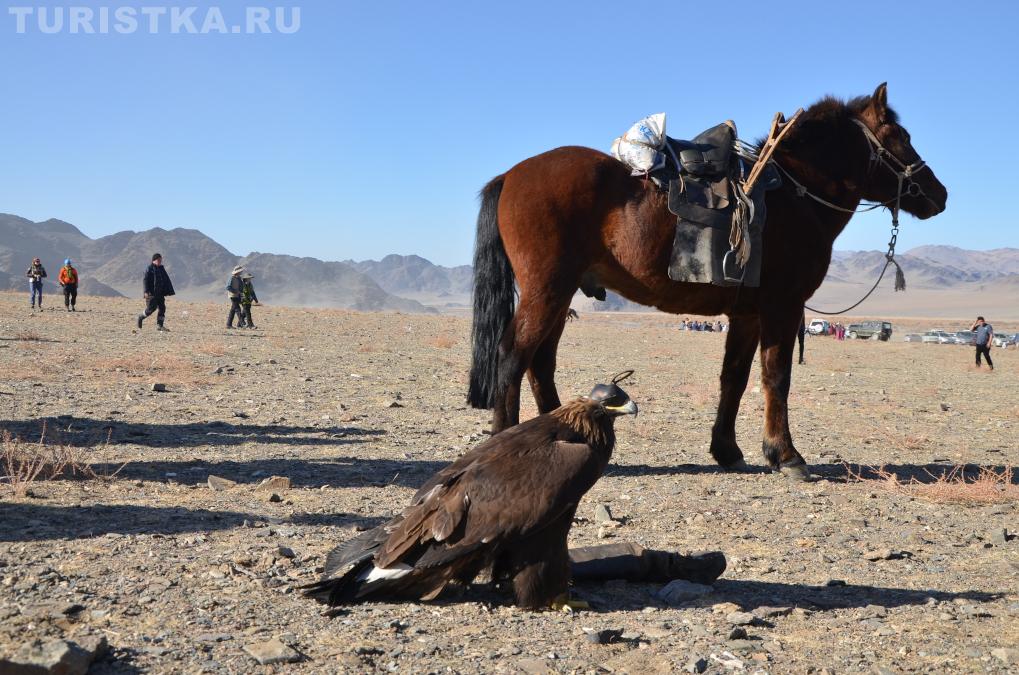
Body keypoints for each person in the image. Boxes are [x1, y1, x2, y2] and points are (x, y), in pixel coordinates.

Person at [137, 253, 175, 331]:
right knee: (151, 309)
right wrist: (146, 291)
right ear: (154, 260)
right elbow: (145, 280)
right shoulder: (149, 268)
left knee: (162, 308)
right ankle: (140, 317)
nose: (160, 261)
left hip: (160, 293)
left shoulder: (161, 269)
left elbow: (166, 280)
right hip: (152, 294)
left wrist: (167, 290)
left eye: (161, 260)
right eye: (159, 260)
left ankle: (160, 326)